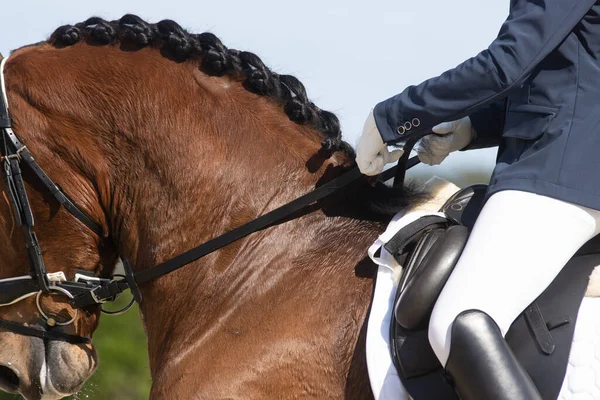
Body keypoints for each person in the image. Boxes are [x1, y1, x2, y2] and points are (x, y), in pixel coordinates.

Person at [355, 1, 600, 399]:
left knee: (459, 321)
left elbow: (507, 62)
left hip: (565, 168)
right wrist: (470, 128)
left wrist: (393, 117)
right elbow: (574, 70)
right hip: (577, 158)